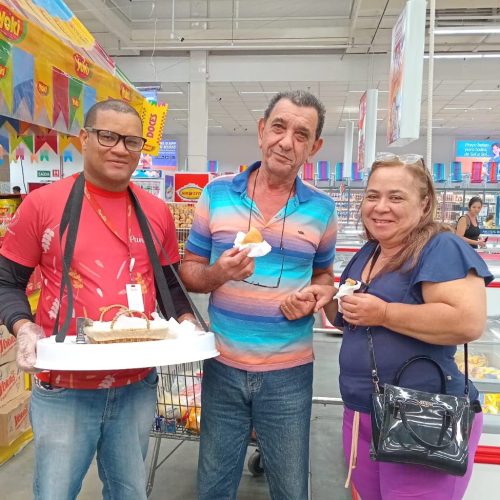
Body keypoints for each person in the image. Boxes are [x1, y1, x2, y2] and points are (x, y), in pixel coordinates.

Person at [0, 99, 196, 500]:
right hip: (64, 387)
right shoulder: (42, 205)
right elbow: (6, 281)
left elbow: (170, 287)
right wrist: (23, 325)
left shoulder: (156, 211)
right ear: (84, 139)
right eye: (108, 136)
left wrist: (187, 322)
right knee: (54, 493)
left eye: (131, 141)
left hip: (136, 384)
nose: (121, 148)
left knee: (129, 492)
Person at [299, 153, 493, 500]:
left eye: (396, 197)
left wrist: (385, 313)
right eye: (373, 196)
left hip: (424, 416)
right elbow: (354, 321)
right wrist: (326, 296)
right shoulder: (370, 253)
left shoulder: (440, 247)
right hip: (362, 412)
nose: (380, 206)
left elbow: (467, 321)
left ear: (424, 203)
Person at [179, 90, 337, 500]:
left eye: (301, 134)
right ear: (262, 130)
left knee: (290, 488)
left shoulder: (322, 209)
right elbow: (189, 272)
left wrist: (315, 297)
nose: (287, 141)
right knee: (214, 485)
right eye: (279, 127)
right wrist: (217, 274)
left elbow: (324, 278)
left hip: (289, 374)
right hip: (223, 368)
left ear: (313, 148)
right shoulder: (216, 194)